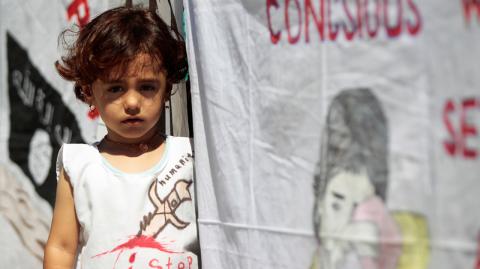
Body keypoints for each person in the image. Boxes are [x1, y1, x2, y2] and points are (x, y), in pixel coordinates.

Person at [43, 4, 199, 269]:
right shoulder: (79, 164)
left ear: (167, 87)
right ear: (89, 91)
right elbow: (62, 247)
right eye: (116, 88)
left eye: (147, 86)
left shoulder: (191, 157)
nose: (132, 102)